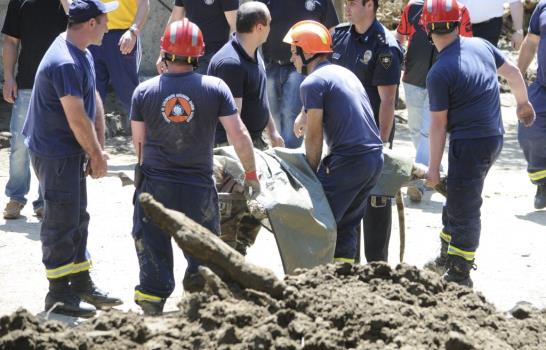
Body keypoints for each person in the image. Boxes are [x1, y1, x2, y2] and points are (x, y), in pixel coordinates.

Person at [130, 18, 259, 316]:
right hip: (198, 188)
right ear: (198, 54)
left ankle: (152, 296)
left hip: (155, 186)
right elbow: (238, 134)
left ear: (164, 52)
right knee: (203, 247)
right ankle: (202, 294)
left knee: (151, 239)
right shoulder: (215, 88)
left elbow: (138, 144)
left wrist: (142, 181)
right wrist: (251, 175)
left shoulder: (144, 91)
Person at [22, 0, 123, 317]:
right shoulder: (65, 61)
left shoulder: (82, 52)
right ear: (91, 23)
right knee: (61, 223)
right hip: (56, 153)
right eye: (105, 19)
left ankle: (80, 284)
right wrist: (94, 152)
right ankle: (58, 295)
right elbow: (76, 116)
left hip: (70, 149)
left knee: (78, 218)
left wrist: (99, 150)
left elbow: (93, 99)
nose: (109, 24)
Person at [423, 0, 535, 287]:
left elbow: (437, 126)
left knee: (465, 205)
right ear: (459, 21)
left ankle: (460, 271)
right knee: (459, 194)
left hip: (470, 144)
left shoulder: (439, 72)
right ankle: (447, 254)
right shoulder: (482, 46)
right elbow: (512, 72)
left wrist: (433, 171)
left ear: (425, 26)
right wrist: (523, 104)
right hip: (493, 138)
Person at [285, 20, 383, 263]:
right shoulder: (342, 72)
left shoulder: (311, 83)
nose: (292, 59)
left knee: (318, 222)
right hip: (373, 160)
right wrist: (303, 114)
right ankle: (343, 279)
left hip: (349, 161)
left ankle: (311, 283)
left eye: (293, 52)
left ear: (306, 52)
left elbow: (315, 136)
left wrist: (310, 175)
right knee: (346, 225)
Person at [331, 0, 403, 262]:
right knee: (347, 204)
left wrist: (381, 144)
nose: (346, 8)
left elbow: (387, 101)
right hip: (341, 139)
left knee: (375, 204)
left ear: (370, 5)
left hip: (372, 139)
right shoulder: (338, 36)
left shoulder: (385, 46)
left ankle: (376, 267)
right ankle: (350, 266)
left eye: (352, 3)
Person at [395, 0, 472, 202]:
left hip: (442, 77)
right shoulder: (412, 8)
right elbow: (400, 35)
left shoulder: (459, 10)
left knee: (428, 129)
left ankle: (419, 181)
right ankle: (434, 166)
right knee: (415, 128)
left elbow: (467, 43)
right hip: (412, 77)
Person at [1, 0, 68, 219]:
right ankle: (16, 197)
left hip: (60, 86)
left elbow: (80, 27)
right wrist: (9, 78)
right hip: (27, 84)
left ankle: (45, 199)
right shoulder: (19, 1)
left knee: (52, 145)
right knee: (19, 145)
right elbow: (11, 41)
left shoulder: (69, 2)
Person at [257, 0, 339, 148]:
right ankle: (279, 155)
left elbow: (331, 31)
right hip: (271, 64)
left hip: (301, 66)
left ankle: (291, 159)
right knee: (272, 116)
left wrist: (324, 66)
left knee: (290, 114)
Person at [208, 1, 284, 149]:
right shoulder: (231, 64)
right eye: (269, 23)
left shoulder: (253, 51)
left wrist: (273, 132)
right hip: (233, 146)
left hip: (253, 141)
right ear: (260, 27)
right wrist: (246, 168)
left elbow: (260, 97)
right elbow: (233, 127)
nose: (271, 28)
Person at [84, 0, 150, 132]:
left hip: (123, 36)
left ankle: (148, 143)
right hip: (92, 34)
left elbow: (144, 3)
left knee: (130, 94)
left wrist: (133, 31)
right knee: (91, 96)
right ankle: (89, 148)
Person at [517, 0, 546, 210]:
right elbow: (530, 42)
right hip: (542, 86)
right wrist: (517, 77)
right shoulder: (543, 6)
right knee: (528, 130)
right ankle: (543, 182)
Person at [157, 0, 238, 74]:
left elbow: (235, 27)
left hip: (213, 55)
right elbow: (175, 18)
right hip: (185, 55)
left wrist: (229, 59)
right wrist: (162, 54)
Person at [457, 0, 524, 49]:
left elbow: (515, 2)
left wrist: (519, 31)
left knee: (486, 62)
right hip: (457, 25)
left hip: (489, 27)